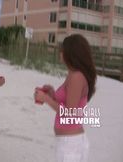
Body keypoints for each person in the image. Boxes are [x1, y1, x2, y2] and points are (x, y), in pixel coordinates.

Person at [34, 34, 97, 162]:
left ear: (71, 53)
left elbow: (69, 112)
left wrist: (46, 99)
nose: (60, 52)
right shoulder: (73, 74)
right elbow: (67, 104)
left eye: (63, 49)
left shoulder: (77, 77)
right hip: (68, 142)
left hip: (71, 144)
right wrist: (52, 94)